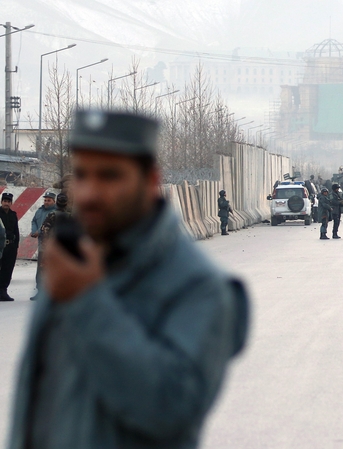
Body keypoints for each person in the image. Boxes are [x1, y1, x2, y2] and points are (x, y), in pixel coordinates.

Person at [7, 109, 250, 449]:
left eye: (109, 176)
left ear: (150, 181)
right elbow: (35, 405)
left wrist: (88, 302)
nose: (90, 193)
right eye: (82, 175)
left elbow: (170, 409)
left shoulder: (200, 288)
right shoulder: (74, 261)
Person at [30, 192, 56, 298]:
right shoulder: (39, 211)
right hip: (42, 245)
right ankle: (40, 291)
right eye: (45, 200)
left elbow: (51, 228)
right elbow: (34, 221)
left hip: (54, 246)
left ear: (54, 201)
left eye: (49, 200)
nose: (46, 202)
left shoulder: (56, 213)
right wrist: (34, 231)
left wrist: (39, 232)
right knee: (40, 269)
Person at [0, 192, 19, 301]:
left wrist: (16, 246)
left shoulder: (13, 215)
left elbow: (16, 231)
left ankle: (3, 291)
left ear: (11, 203)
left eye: (8, 201)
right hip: (0, 246)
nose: (6, 203)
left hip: (10, 246)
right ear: (1, 202)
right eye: (4, 201)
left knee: (7, 270)